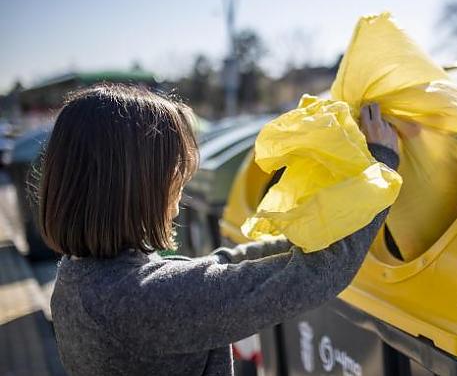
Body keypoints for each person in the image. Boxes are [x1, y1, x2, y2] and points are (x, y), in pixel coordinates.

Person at [40, 84, 399, 376]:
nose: (179, 193)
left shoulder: (79, 278)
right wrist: (381, 164)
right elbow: (316, 276)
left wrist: (300, 238)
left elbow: (212, 271)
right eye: (174, 174)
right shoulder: (141, 302)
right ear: (134, 186)